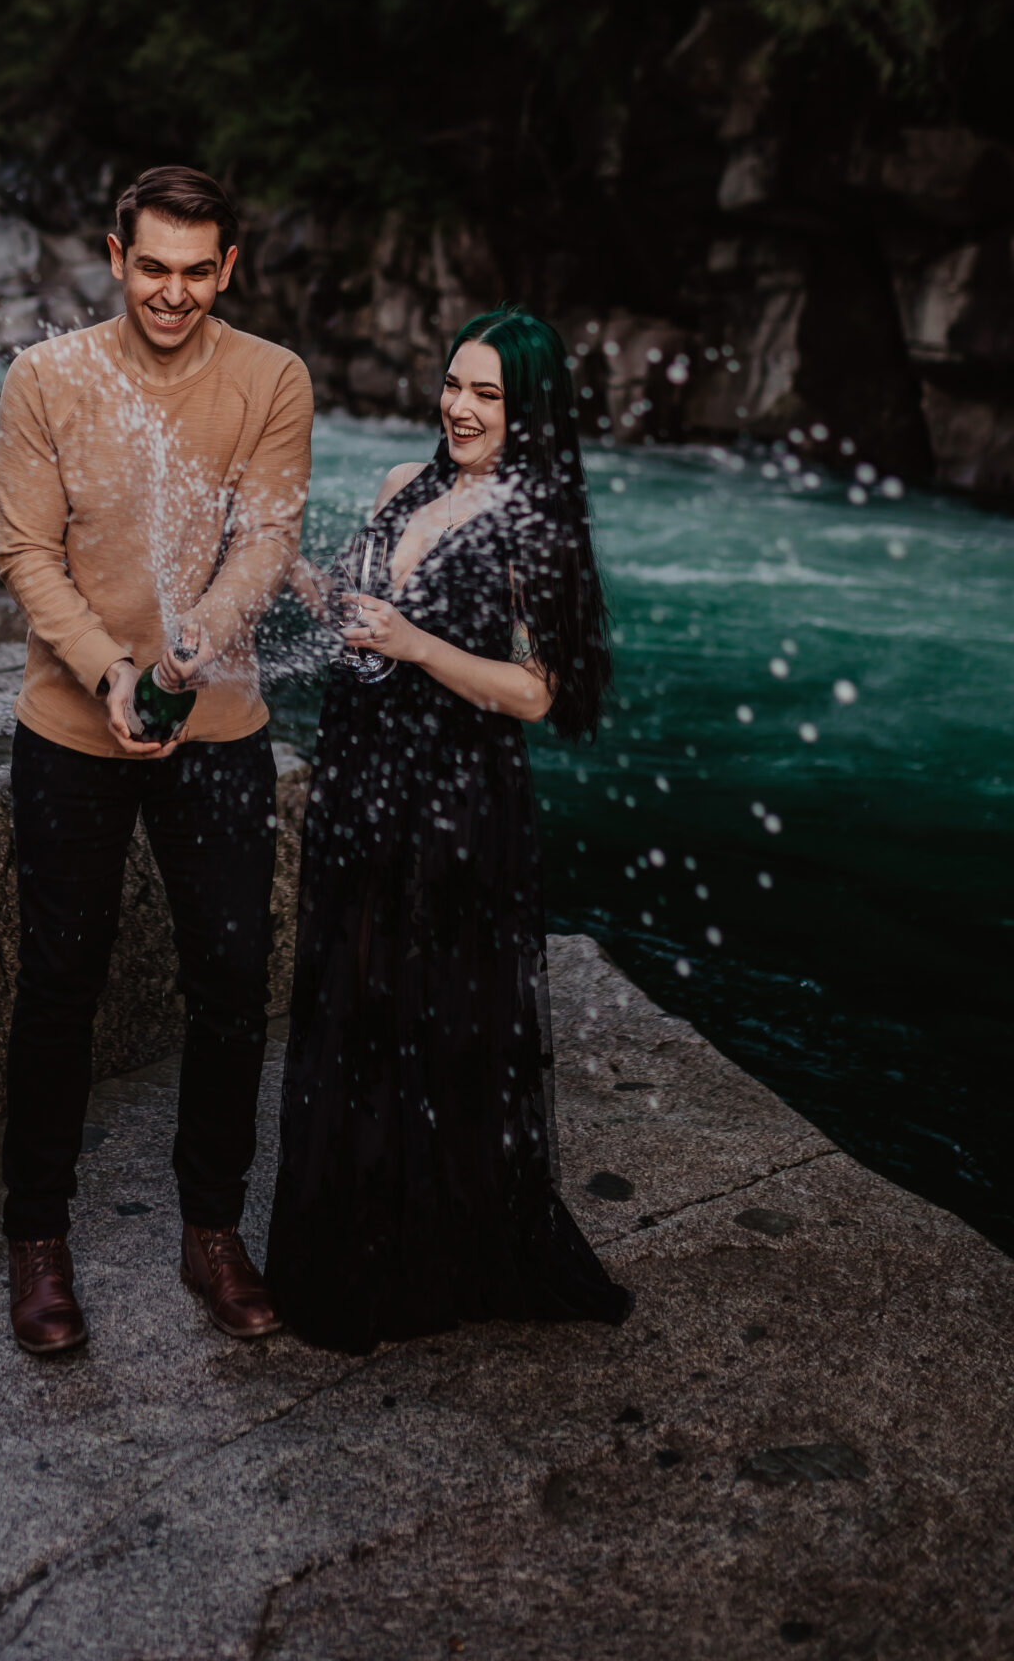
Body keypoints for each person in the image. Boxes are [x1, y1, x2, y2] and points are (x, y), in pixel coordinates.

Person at [265, 304, 636, 1352]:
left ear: (531, 413)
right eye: (454, 384)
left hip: (457, 799)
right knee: (356, 998)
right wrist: (288, 567)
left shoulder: (537, 524)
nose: (460, 408)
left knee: (435, 1011)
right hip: (363, 777)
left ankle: (428, 1251)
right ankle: (345, 1235)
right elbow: (359, 616)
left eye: (489, 395)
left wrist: (420, 644)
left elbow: (533, 693)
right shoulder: (402, 485)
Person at [0, 164, 314, 1355]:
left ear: (228, 268)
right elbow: (26, 553)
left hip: (218, 727)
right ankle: (38, 1240)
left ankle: (212, 1231)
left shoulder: (273, 379)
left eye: (197, 271)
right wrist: (110, 671)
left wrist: (189, 649)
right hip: (69, 729)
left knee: (231, 985)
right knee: (57, 989)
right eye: (152, 267)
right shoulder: (47, 378)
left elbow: (269, 537)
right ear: (115, 256)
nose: (172, 293)